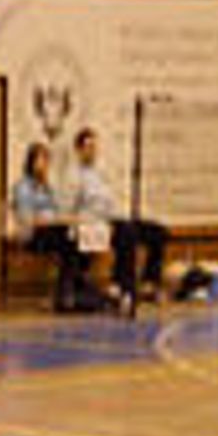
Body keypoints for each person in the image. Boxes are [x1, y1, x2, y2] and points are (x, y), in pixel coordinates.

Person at [67, 127, 169, 304]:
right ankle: (122, 285)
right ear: (79, 150)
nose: (92, 151)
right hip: (94, 223)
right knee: (126, 234)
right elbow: (72, 208)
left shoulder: (101, 172)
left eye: (94, 147)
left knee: (158, 232)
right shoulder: (73, 175)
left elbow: (112, 199)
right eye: (88, 147)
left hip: (115, 217)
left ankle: (149, 282)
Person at [10, 142, 89, 311]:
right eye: (40, 160)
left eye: (46, 161)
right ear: (31, 162)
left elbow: (57, 210)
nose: (44, 165)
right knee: (69, 245)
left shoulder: (47, 187)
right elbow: (27, 218)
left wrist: (66, 218)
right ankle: (67, 293)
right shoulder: (23, 187)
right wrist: (51, 221)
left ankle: (71, 291)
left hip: (53, 232)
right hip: (33, 235)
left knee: (76, 242)